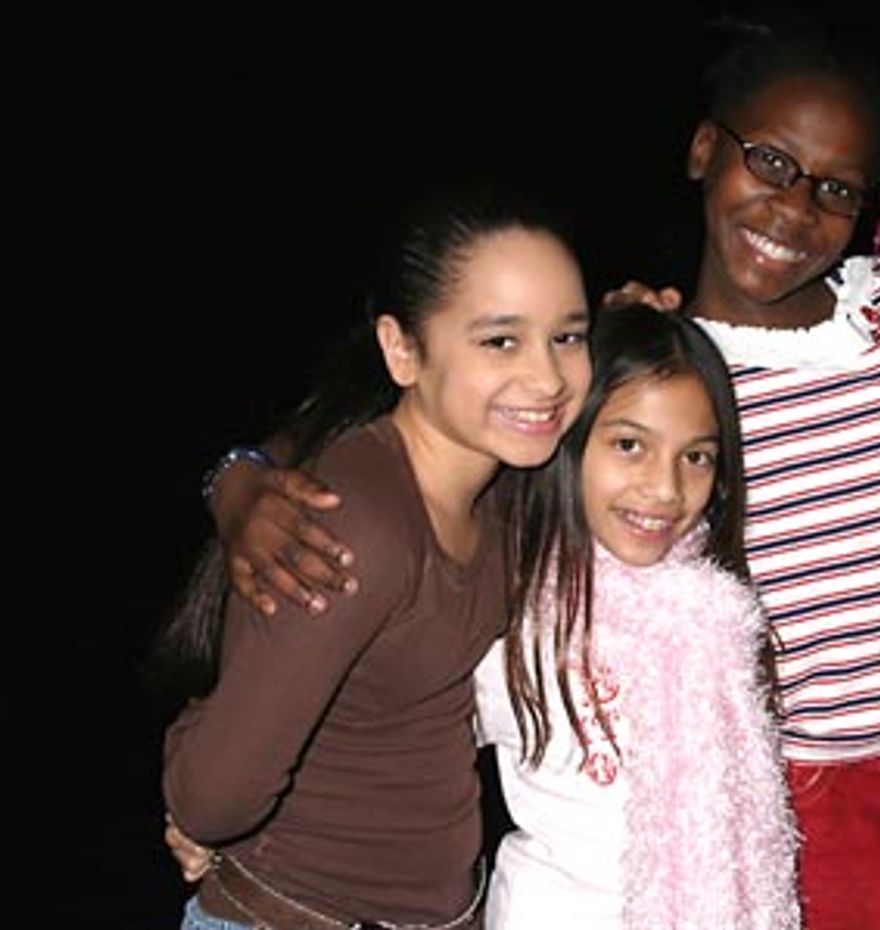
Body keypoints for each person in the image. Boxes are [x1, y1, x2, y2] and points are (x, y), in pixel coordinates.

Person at [194, 22, 880, 929]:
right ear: (703, 150)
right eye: (771, 163)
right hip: (822, 791)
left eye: (835, 188)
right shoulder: (658, 371)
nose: (794, 208)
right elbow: (431, 415)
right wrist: (242, 478)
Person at [156, 187, 593, 929]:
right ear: (401, 349)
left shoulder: (501, 486)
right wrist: (196, 756)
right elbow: (213, 798)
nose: (548, 377)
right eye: (500, 341)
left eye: (568, 336)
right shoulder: (362, 524)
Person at [476, 304, 797, 928]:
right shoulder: (509, 606)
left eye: (696, 457)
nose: (665, 489)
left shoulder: (714, 612)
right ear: (568, 438)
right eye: (629, 445)